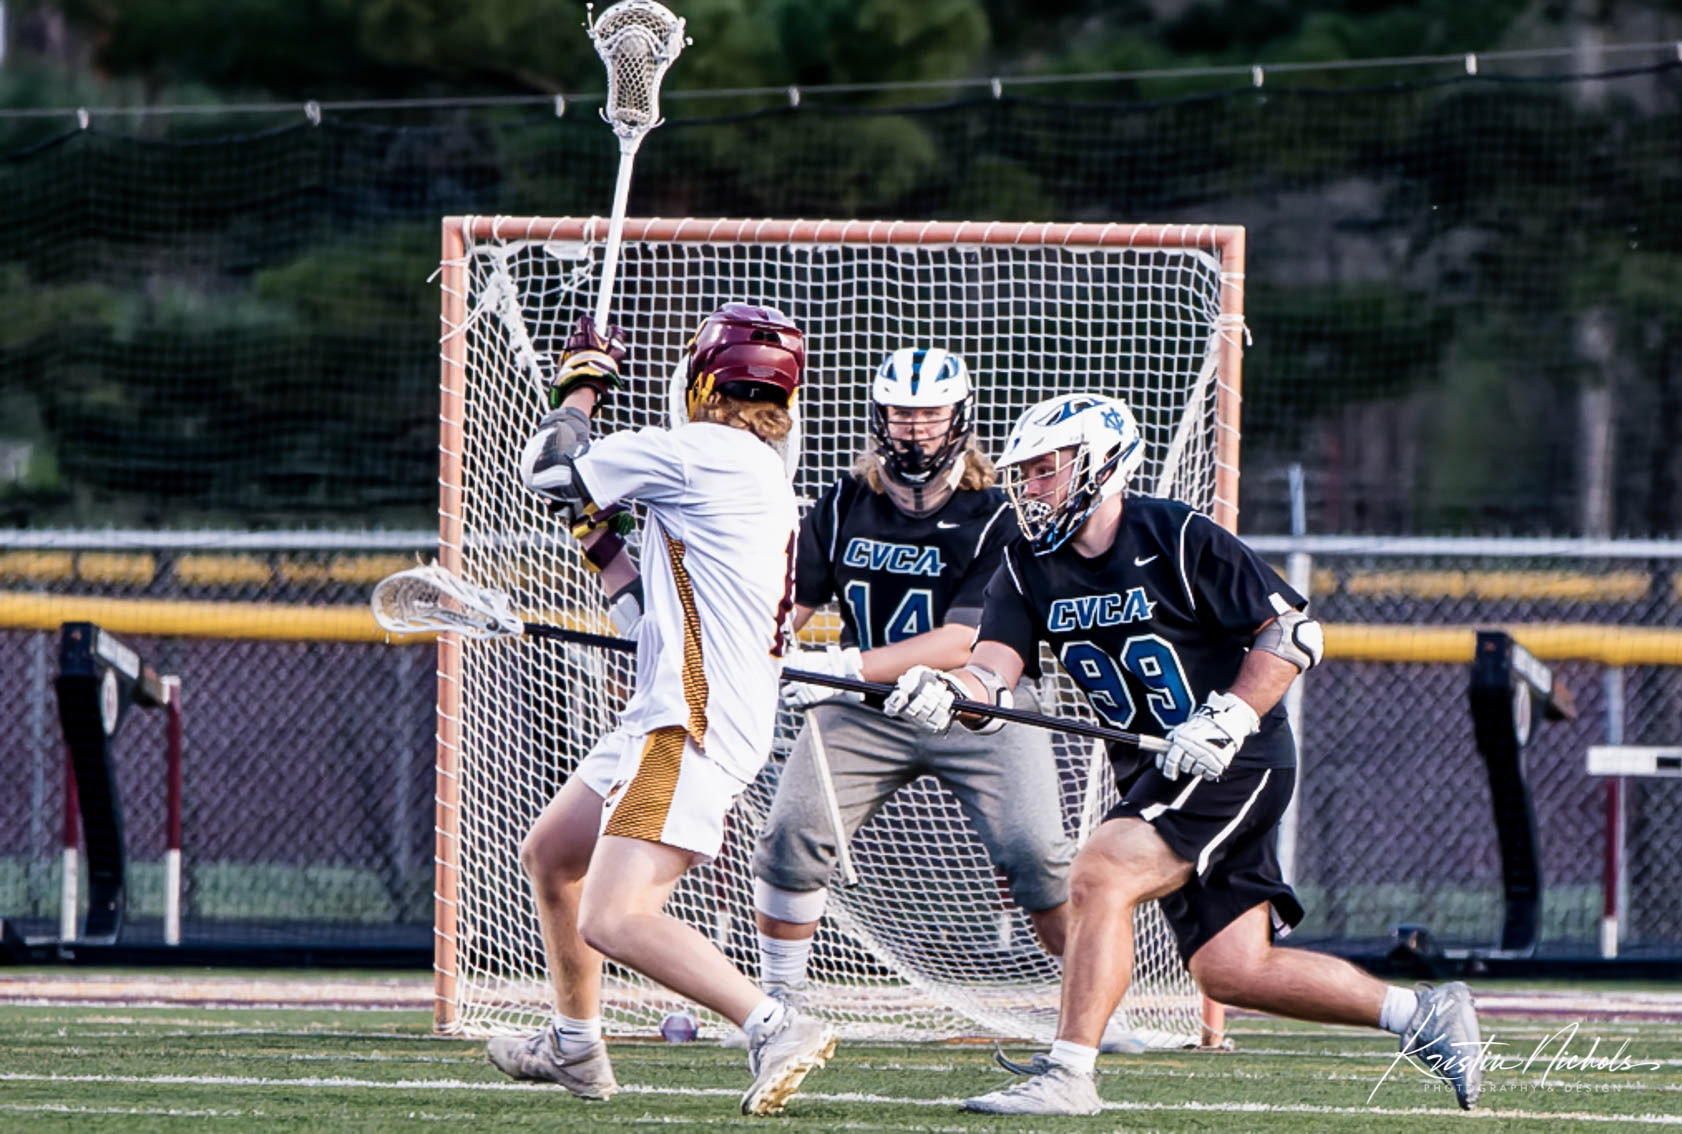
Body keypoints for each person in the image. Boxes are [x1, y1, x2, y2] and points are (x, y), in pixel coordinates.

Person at [884, 391, 1484, 1116]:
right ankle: (1421, 1014)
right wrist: (948, 692)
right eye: (1027, 474)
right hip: (1156, 773)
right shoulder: (1025, 564)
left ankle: (1069, 1075)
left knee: (1101, 871)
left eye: (1046, 470)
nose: (1032, 488)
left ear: (1100, 464)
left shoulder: (1174, 534)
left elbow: (1292, 633)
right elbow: (992, 676)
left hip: (1236, 759)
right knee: (1232, 969)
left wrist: (1230, 715)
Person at [485, 303, 838, 1117]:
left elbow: (546, 467)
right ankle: (575, 1044)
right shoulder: (748, 470)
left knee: (614, 916)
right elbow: (648, 611)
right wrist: (599, 540)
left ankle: (773, 1024)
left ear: (702, 380)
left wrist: (583, 384)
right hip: (675, 712)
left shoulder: (703, 451)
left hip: (690, 720)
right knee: (554, 854)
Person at [749, 346, 1076, 1005]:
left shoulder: (997, 514)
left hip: (978, 702)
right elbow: (788, 609)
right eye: (902, 414)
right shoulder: (843, 504)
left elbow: (964, 639)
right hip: (863, 706)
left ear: (959, 418)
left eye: (930, 414)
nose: (916, 428)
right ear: (880, 418)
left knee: (1037, 854)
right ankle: (779, 1002)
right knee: (792, 834)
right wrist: (755, 646)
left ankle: (1087, 1001)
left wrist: (840, 666)